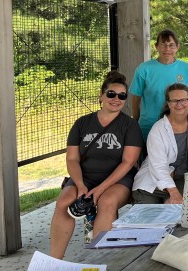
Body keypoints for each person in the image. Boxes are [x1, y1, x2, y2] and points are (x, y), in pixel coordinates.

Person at [49, 71, 143, 259]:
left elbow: (128, 162)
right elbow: (72, 159)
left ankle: (99, 261)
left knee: (107, 202)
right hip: (85, 177)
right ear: (101, 96)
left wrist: (100, 189)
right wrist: (80, 185)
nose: (116, 99)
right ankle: (54, 262)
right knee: (63, 202)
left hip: (118, 179)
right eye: (111, 94)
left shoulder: (130, 125)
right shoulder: (82, 123)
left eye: (122, 96)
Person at [132, 84, 188, 204]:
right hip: (153, 181)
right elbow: (158, 166)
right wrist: (173, 193)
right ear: (168, 103)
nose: (179, 104)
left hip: (185, 180)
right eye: (174, 101)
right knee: (148, 212)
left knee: (182, 209)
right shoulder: (158, 129)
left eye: (183, 100)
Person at [130, 29, 188, 141]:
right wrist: (135, 121)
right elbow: (136, 98)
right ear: (156, 47)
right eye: (163, 45)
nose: (167, 49)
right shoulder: (144, 69)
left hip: (181, 126)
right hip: (149, 125)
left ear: (177, 47)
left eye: (171, 45)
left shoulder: (186, 68)